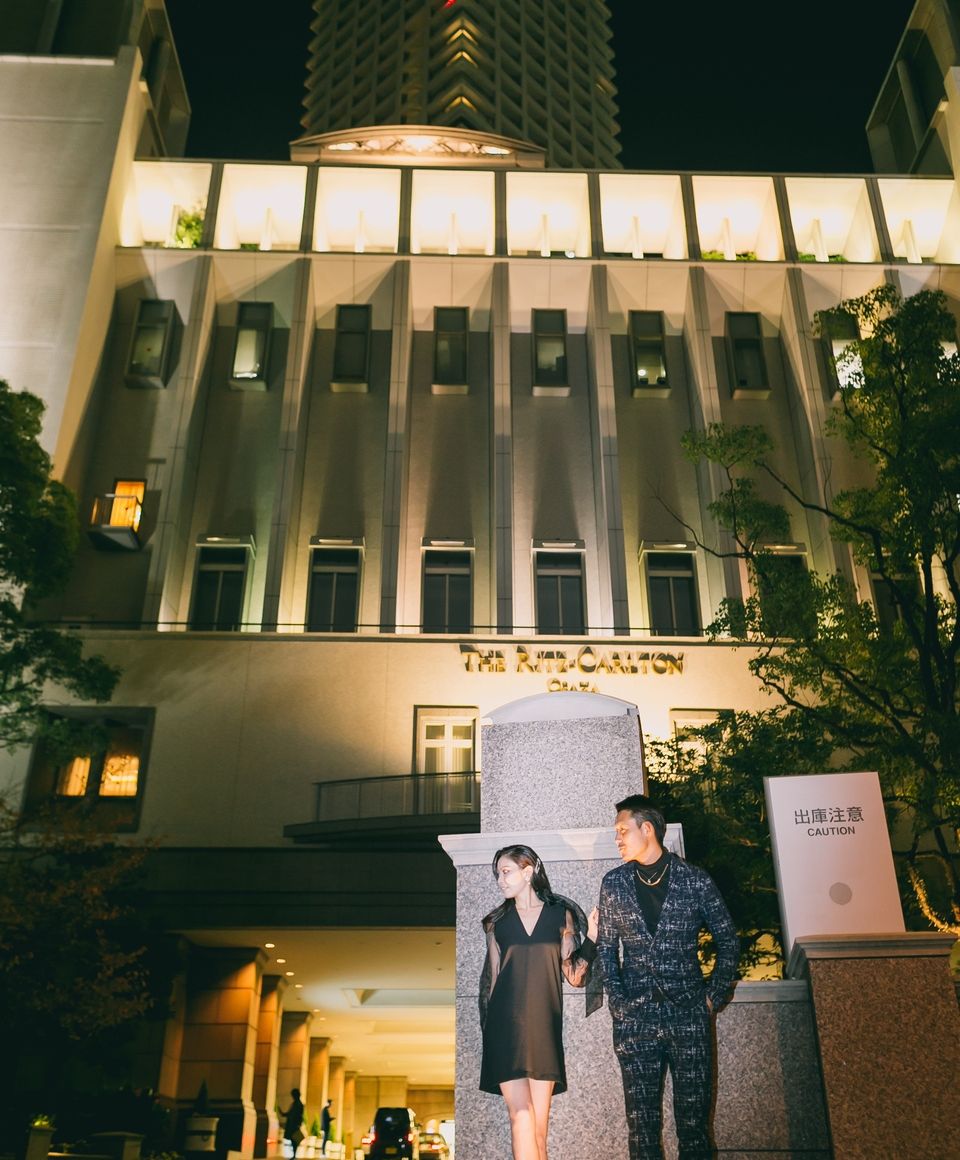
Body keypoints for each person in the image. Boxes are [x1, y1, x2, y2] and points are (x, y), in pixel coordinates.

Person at [597, 794, 739, 1160]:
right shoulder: (614, 884)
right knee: (642, 1129)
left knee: (694, 1127)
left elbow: (728, 940)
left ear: (647, 828)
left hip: (688, 1016)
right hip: (635, 1020)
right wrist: (619, 1005)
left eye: (622, 830)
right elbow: (606, 950)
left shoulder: (694, 880)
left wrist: (711, 998)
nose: (617, 838)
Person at [478, 842, 601, 1160]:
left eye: (506, 872)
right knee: (520, 1117)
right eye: (497, 874)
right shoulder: (496, 923)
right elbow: (492, 981)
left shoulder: (560, 916)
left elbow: (574, 975)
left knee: (539, 1132)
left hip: (544, 1029)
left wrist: (592, 938)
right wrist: (488, 1034)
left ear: (528, 871)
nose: (500, 880)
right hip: (505, 1030)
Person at [281, 1088, 305, 1158]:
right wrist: (283, 1114)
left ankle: (294, 1154)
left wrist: (298, 1124)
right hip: (293, 1124)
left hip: (294, 1124)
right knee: (293, 1139)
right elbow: (291, 1113)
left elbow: (297, 1115)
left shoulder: (298, 1104)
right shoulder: (296, 1103)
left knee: (294, 1139)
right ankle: (294, 1154)